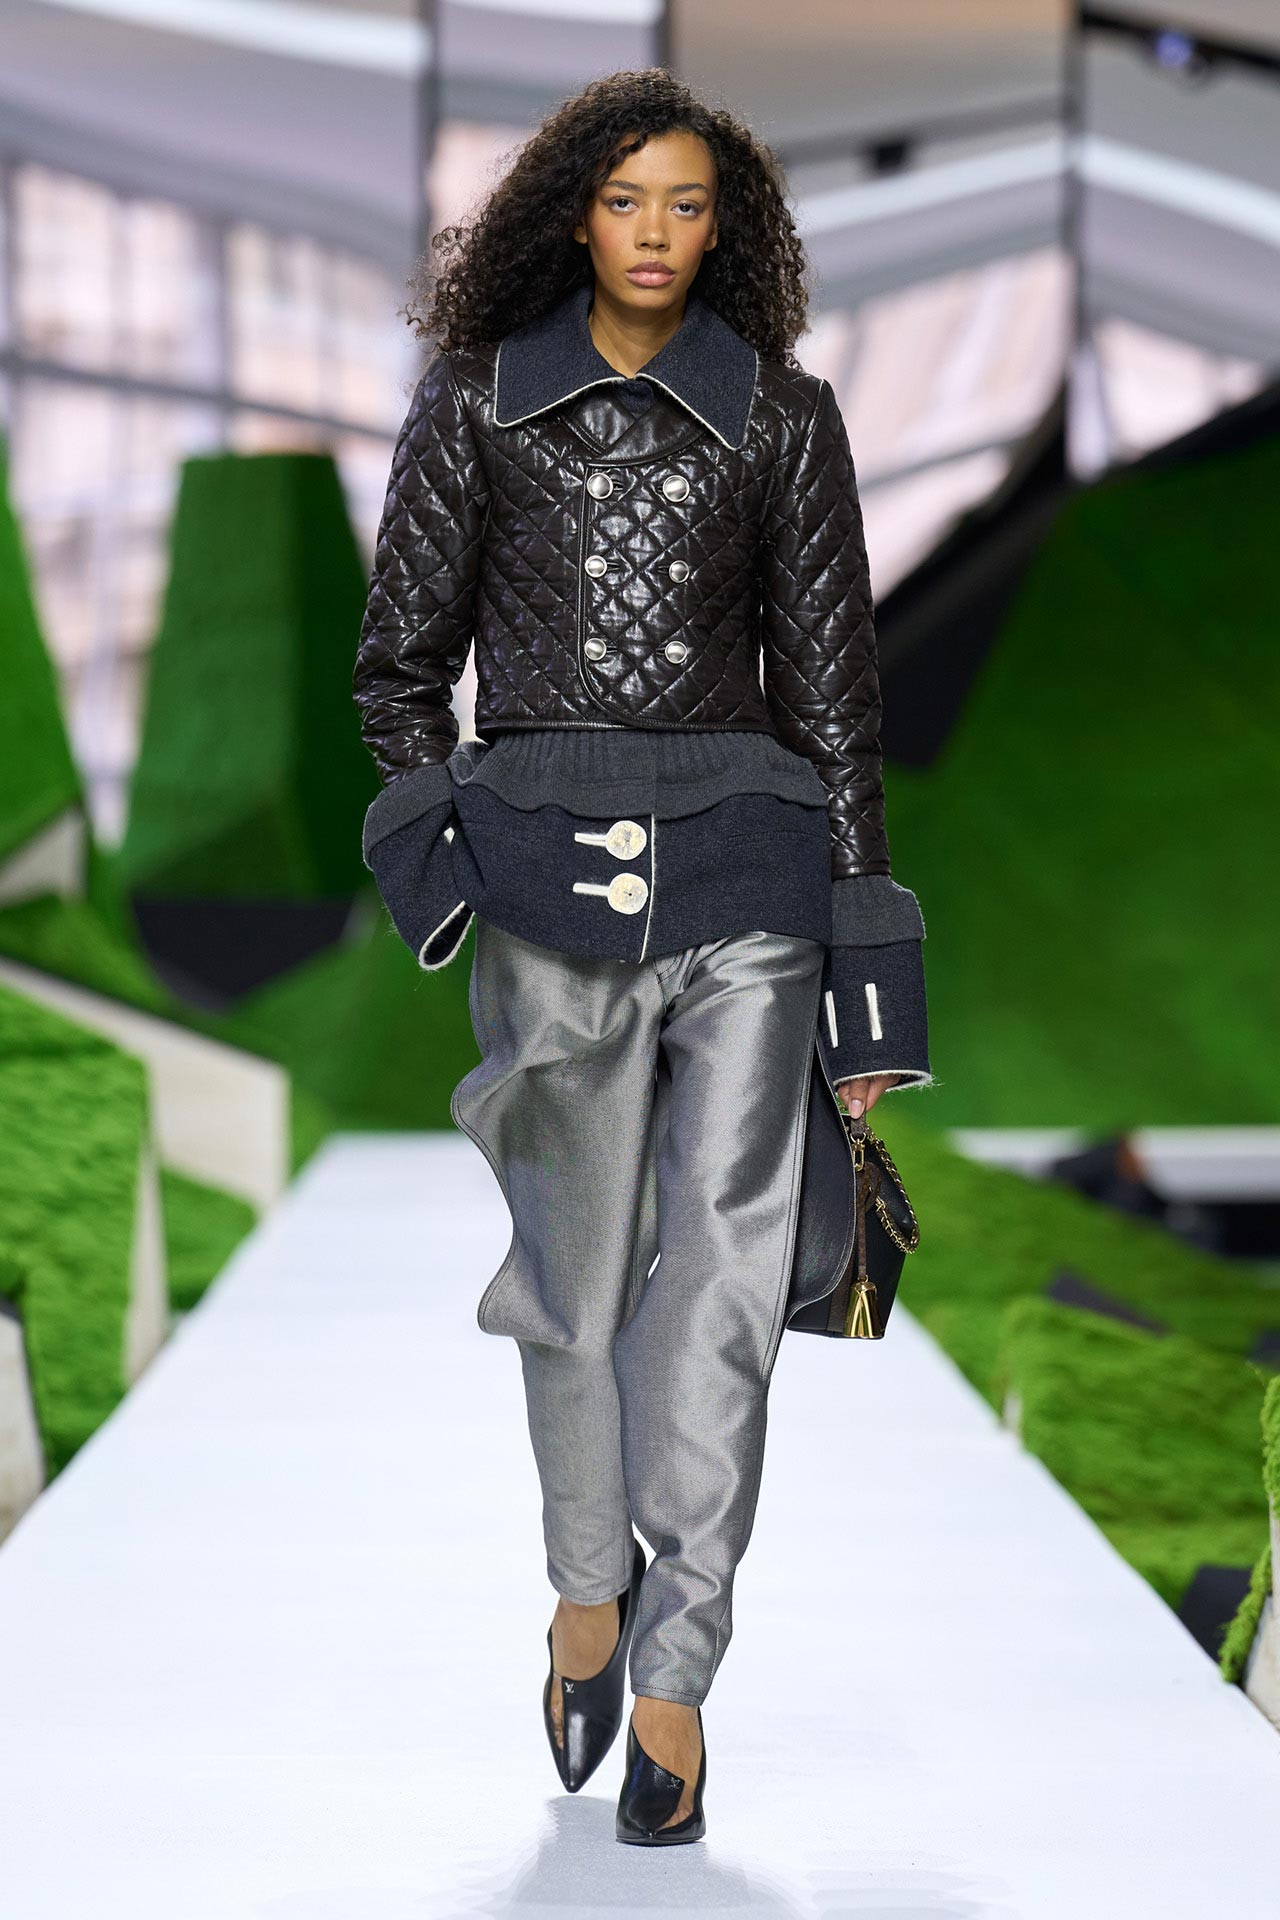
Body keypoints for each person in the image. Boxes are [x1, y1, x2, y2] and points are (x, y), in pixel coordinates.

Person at [352, 68, 933, 1845]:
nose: (658, 235)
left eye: (689, 204)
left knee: (729, 1284)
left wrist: (868, 981)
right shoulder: (477, 403)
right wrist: (449, 856)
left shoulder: (782, 416)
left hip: (749, 880)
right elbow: (398, 671)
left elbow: (835, 705)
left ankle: (679, 1672)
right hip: (546, 891)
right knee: (575, 1284)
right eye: (626, 202)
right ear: (570, 216)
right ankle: (586, 1585)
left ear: (726, 225)